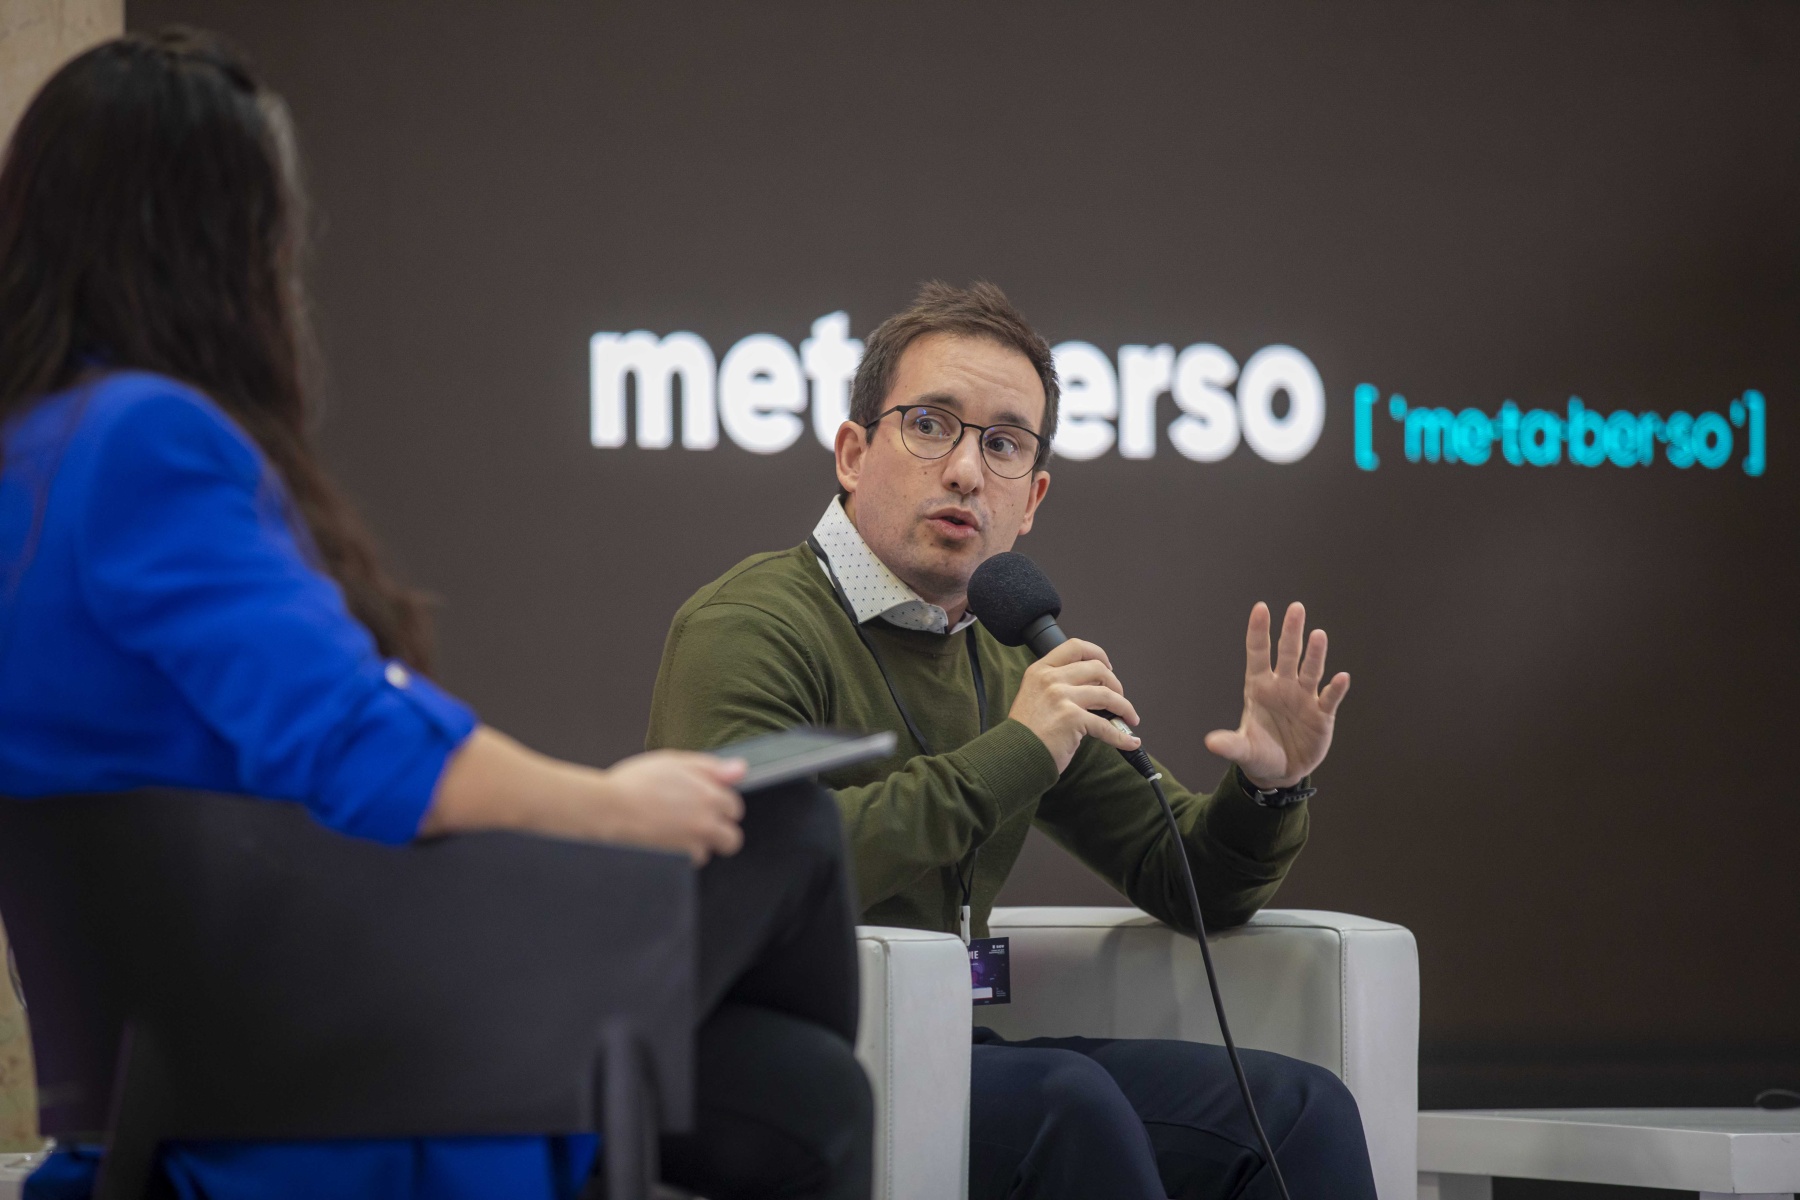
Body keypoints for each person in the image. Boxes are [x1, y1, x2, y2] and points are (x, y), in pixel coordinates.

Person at [0, 29, 870, 1200]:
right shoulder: (144, 440)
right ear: (214, 238)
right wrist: (613, 805)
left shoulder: (32, 457)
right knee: (786, 824)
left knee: (808, 1093)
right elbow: (359, 746)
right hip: (298, 1060)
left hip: (211, 1042)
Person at [647, 281, 1377, 1200]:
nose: (964, 471)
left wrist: (1270, 789)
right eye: (930, 426)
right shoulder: (751, 624)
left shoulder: (1005, 654)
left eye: (1002, 445)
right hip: (779, 1070)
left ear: (1030, 499)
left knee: (1298, 1109)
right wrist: (1018, 751)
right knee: (1068, 1104)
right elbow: (756, 878)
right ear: (852, 453)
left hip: (948, 1043)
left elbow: (1186, 878)